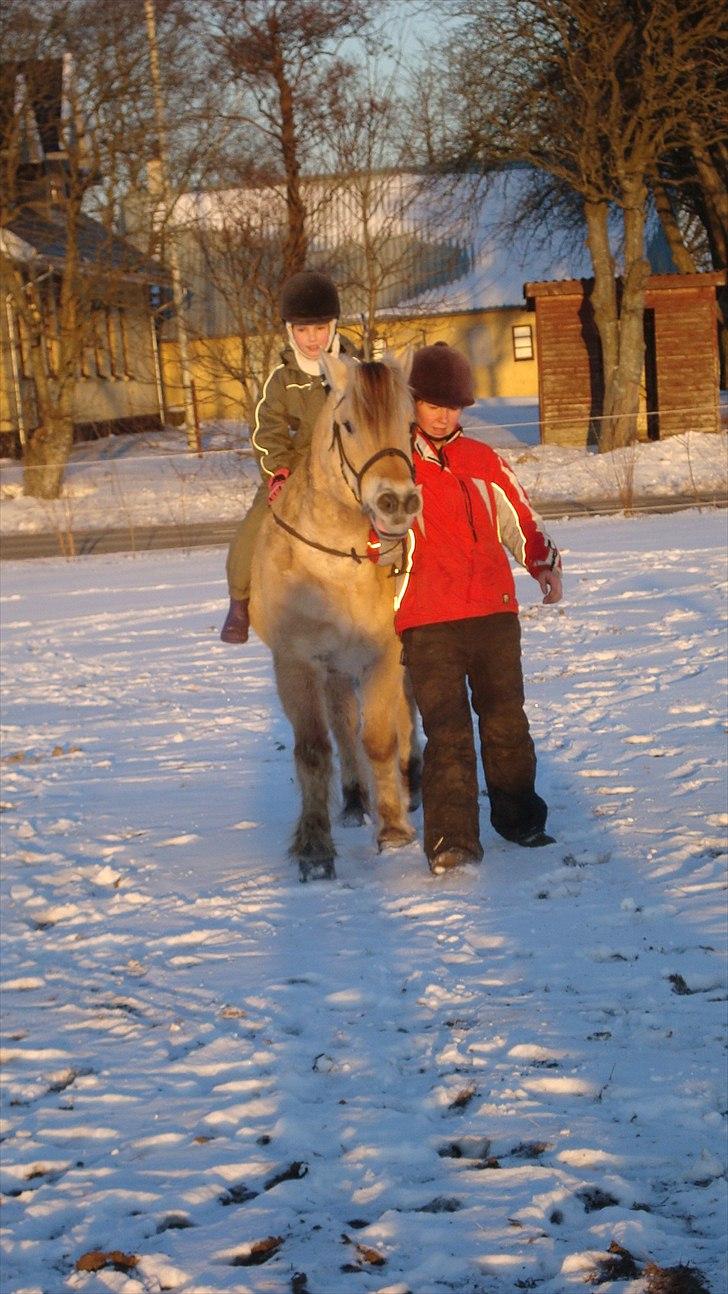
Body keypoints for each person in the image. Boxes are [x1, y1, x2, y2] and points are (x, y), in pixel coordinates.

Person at [394, 342, 563, 875]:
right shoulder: (395, 464)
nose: (444, 415)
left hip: (493, 612)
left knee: (507, 721)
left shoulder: (483, 460)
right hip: (428, 620)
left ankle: (521, 821)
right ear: (414, 402)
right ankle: (452, 841)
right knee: (447, 732)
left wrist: (541, 563)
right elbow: (376, 536)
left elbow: (519, 518)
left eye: (454, 405)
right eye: (433, 404)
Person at [220, 270, 356, 643]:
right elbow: (266, 430)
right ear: (290, 332)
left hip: (350, 465)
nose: (312, 339)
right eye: (302, 330)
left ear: (333, 326)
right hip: (295, 468)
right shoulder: (281, 379)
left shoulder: (355, 369)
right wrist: (277, 471)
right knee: (256, 521)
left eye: (319, 329)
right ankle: (240, 599)